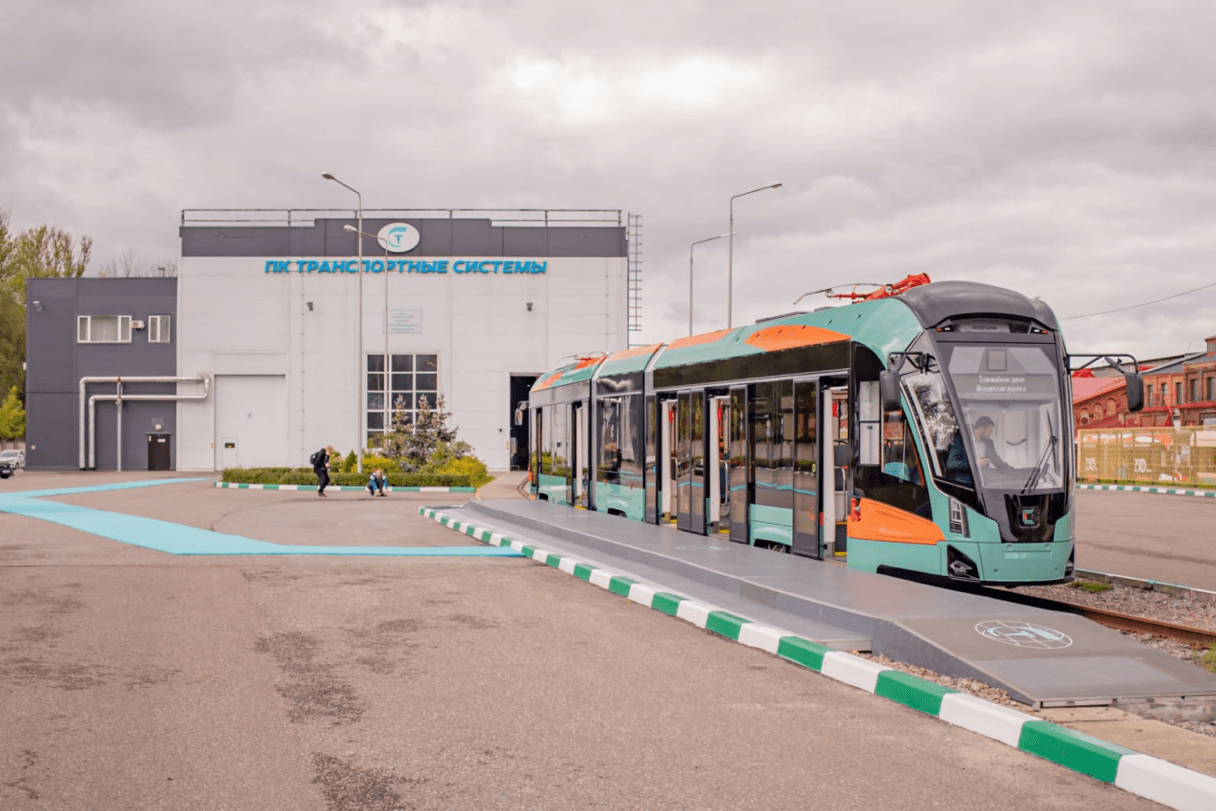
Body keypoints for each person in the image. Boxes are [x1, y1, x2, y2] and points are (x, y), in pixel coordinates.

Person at [946, 416, 1013, 486]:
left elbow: (996, 459)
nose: (991, 434)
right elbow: (951, 463)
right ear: (981, 429)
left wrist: (1010, 469)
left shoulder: (989, 442)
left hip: (983, 483)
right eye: (989, 431)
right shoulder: (961, 439)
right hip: (964, 484)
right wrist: (975, 463)